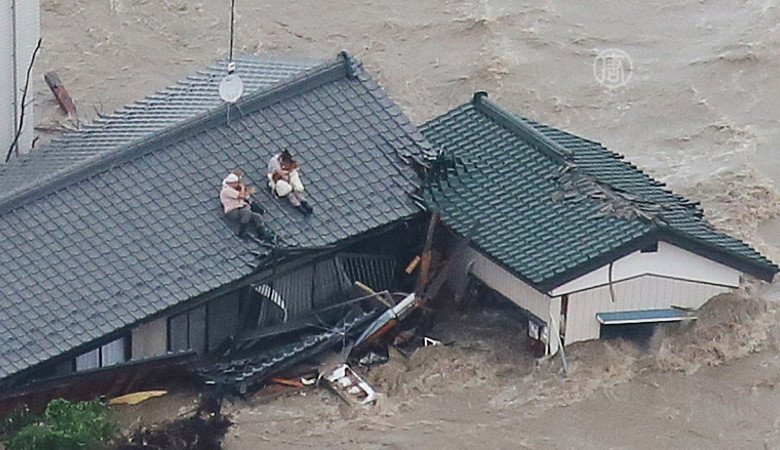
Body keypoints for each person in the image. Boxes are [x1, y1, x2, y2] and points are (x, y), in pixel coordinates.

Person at [220, 173, 272, 240]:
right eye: (235, 183)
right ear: (231, 183)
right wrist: (242, 187)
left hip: (240, 209)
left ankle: (262, 234)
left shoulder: (232, 190)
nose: (237, 185)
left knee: (257, 216)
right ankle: (242, 231)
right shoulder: (226, 190)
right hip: (232, 211)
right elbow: (241, 196)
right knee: (246, 212)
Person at [267, 150, 313, 215]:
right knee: (288, 191)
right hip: (275, 178)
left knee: (295, 188)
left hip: (285, 175)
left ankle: (304, 202)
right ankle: (298, 205)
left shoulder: (286, 160)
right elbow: (279, 173)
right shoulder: (275, 162)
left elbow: (294, 168)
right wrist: (288, 179)